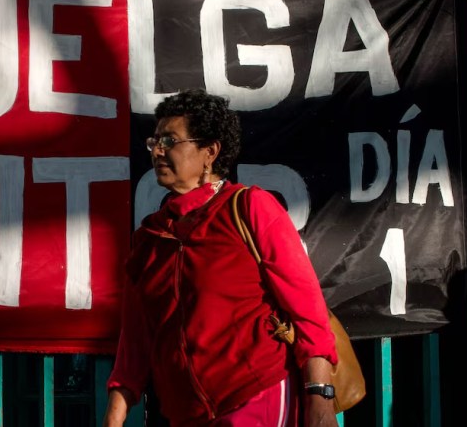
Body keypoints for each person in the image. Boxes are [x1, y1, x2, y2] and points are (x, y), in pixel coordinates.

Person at [103, 89, 339, 427]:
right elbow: (134, 344)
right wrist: (113, 418)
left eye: (170, 140)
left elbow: (308, 310)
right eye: (155, 141)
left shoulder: (250, 207)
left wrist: (320, 399)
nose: (157, 150)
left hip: (257, 396)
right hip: (185, 414)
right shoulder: (148, 241)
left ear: (209, 152)